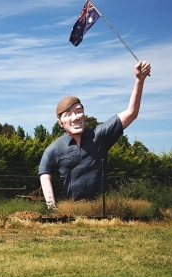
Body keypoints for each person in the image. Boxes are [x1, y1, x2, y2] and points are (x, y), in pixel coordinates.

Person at [38, 61, 151, 209]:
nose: (76, 117)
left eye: (79, 112)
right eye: (68, 115)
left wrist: (139, 80)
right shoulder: (53, 149)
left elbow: (131, 113)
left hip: (103, 209)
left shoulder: (99, 135)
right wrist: (52, 206)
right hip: (73, 210)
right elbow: (45, 174)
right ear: (60, 122)